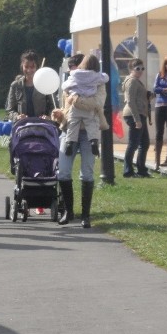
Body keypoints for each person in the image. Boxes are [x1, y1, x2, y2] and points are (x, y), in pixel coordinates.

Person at [51, 54, 104, 228]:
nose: (75, 69)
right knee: (64, 172)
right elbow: (66, 108)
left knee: (87, 173)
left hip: (89, 134)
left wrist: (76, 100)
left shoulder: (99, 83)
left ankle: (85, 215)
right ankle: (68, 210)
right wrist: (59, 115)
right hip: (69, 130)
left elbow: (96, 104)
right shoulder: (71, 83)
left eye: (78, 65)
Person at [60, 60, 110, 157]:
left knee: (72, 123)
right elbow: (106, 78)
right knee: (91, 123)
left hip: (75, 104)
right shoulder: (96, 76)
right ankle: (93, 141)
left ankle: (70, 142)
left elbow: (65, 86)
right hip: (88, 103)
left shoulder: (75, 75)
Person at [5, 49, 54, 121]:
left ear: (37, 67)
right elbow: (9, 110)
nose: (29, 70)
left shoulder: (45, 83)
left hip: (42, 127)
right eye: (26, 67)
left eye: (32, 67)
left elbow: (54, 107)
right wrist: (17, 117)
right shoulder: (15, 85)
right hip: (22, 127)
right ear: (22, 66)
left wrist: (49, 117)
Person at [122, 59, 151, 178]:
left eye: (142, 68)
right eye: (137, 68)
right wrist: (137, 120)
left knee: (144, 143)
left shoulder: (137, 82)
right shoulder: (132, 81)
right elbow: (130, 101)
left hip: (140, 114)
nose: (140, 71)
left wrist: (155, 94)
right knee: (133, 144)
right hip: (134, 115)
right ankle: (128, 171)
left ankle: (141, 170)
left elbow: (140, 98)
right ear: (131, 70)